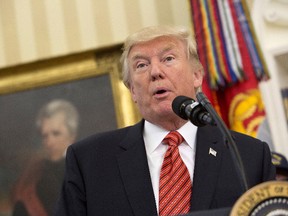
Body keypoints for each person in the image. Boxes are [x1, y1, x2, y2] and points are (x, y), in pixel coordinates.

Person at [55, 26, 275, 216]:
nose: (155, 72)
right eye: (141, 65)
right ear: (132, 89)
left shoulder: (249, 156)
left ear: (197, 75)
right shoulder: (89, 160)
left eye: (168, 59)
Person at [12, 99, 79, 216]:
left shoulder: (83, 167)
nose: (49, 142)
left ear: (72, 135)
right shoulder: (33, 174)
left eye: (56, 133)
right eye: (45, 136)